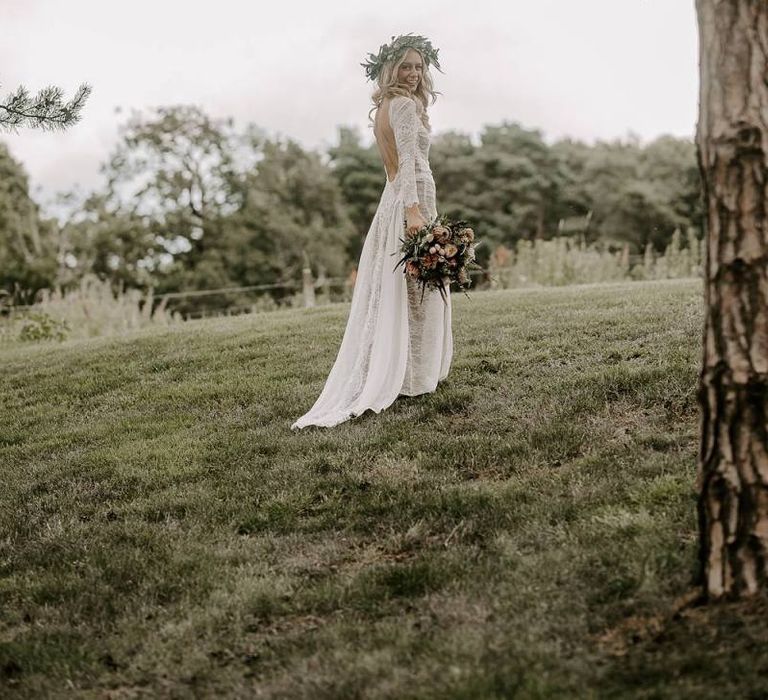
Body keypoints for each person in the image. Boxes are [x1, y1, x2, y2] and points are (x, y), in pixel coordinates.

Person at [290, 34, 453, 429]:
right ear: (390, 69)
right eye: (406, 66)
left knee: (409, 289)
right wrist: (415, 213)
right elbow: (410, 161)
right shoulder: (402, 106)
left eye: (419, 66)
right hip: (409, 203)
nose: (414, 73)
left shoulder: (386, 106)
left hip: (395, 199)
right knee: (417, 289)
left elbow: (395, 168)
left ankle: (409, 372)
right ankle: (412, 378)